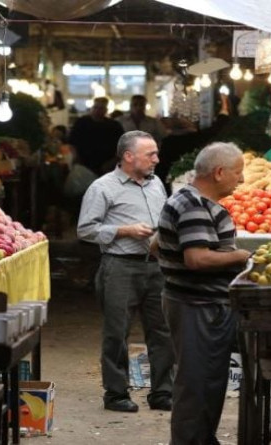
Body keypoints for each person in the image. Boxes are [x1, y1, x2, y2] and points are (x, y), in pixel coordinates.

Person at [156, 142, 252, 444]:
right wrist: (240, 257)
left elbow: (155, 244)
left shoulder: (184, 199)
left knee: (207, 380)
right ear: (219, 172)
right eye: (238, 173)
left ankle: (201, 439)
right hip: (198, 306)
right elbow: (196, 259)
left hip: (192, 302)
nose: (242, 179)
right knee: (197, 383)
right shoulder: (195, 205)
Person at [77, 130, 174, 413]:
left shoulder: (156, 184)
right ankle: (116, 394)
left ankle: (162, 392)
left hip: (156, 267)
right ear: (128, 156)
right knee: (116, 333)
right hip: (120, 267)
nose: (157, 159)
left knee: (162, 332)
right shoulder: (103, 187)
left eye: (156, 153)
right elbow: (85, 230)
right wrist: (124, 230)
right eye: (150, 154)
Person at [68, 97, 125, 176]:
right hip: (83, 163)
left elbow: (122, 147)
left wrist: (112, 162)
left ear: (106, 110)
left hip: (107, 165)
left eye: (101, 108)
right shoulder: (81, 122)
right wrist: (75, 157)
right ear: (92, 108)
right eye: (95, 107)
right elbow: (72, 142)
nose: (97, 110)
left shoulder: (114, 125)